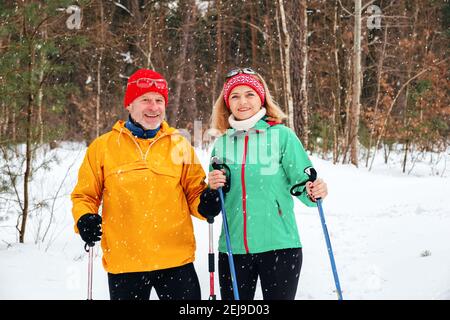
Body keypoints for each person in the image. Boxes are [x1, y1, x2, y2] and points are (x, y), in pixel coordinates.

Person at [71, 68, 208, 300]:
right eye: (145, 100)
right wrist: (84, 218)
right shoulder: (103, 147)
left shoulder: (179, 145)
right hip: (126, 262)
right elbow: (85, 196)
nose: (153, 107)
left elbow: (195, 192)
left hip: (175, 260)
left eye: (158, 100)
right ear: (129, 105)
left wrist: (206, 204)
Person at [198, 67, 328, 300]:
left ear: (262, 98)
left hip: (279, 246)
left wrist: (314, 190)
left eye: (249, 94)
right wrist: (212, 188)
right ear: (227, 103)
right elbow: (215, 204)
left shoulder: (282, 136)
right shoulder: (222, 145)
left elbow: (303, 185)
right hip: (233, 249)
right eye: (235, 96)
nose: (243, 102)